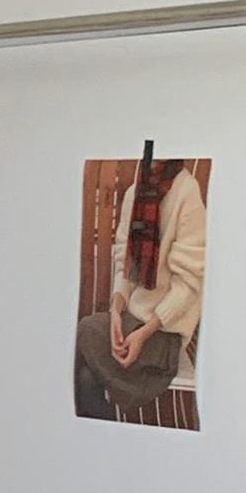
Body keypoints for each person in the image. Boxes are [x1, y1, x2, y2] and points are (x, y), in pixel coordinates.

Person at [75, 154, 207, 412]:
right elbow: (124, 265)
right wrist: (115, 312)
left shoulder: (187, 192)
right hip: (132, 321)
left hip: (165, 332)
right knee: (85, 375)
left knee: (86, 334)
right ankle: (115, 421)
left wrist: (144, 333)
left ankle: (131, 393)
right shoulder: (136, 193)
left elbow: (189, 282)